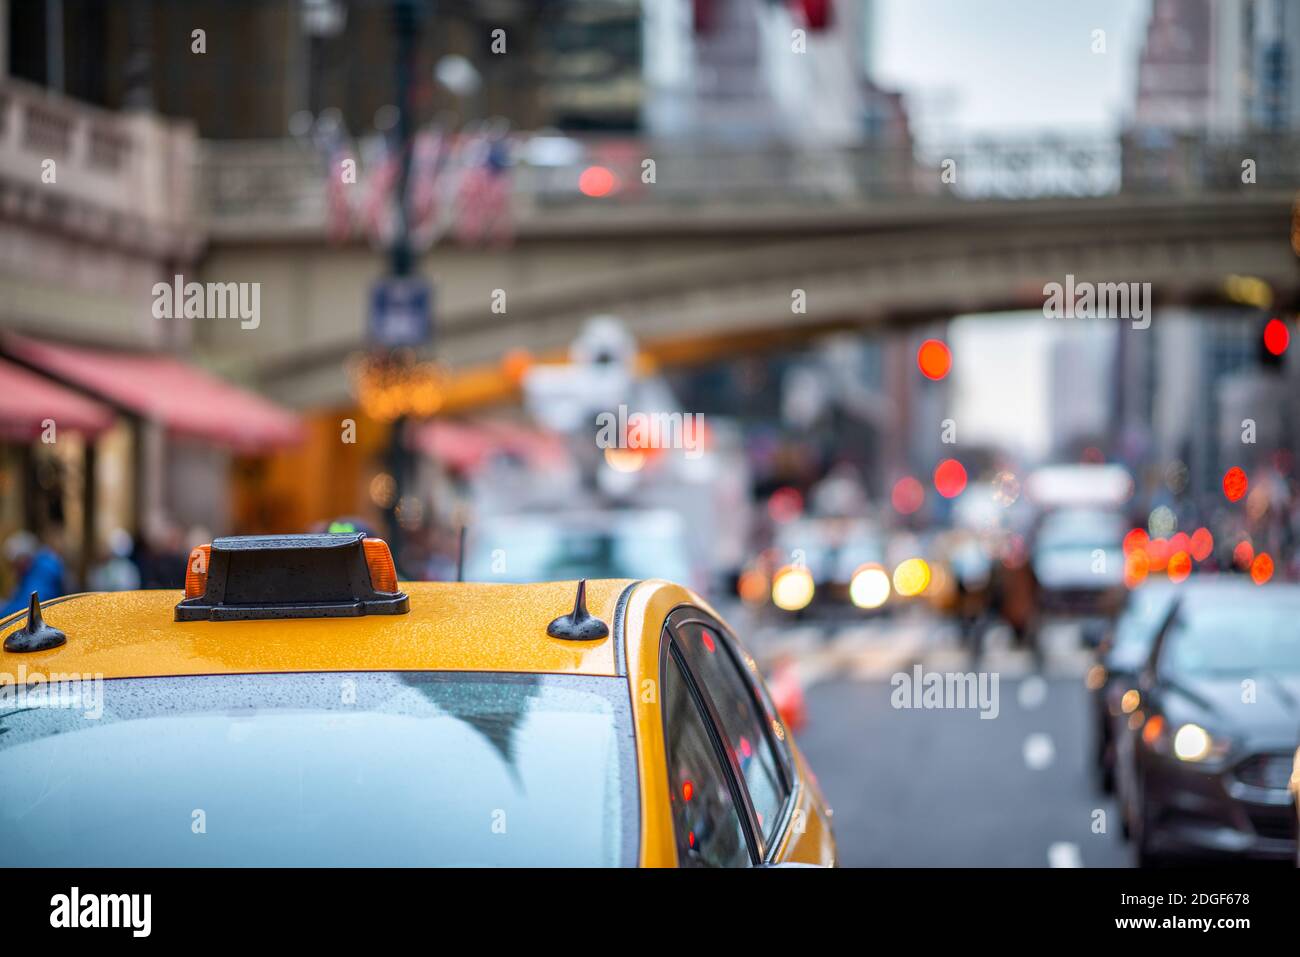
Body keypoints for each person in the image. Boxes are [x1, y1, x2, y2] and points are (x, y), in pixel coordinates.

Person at [1, 531, 67, 616]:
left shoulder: (43, 570)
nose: (14, 570)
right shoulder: (33, 571)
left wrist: (3, 611)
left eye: (15, 563)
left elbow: (31, 606)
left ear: (24, 557)